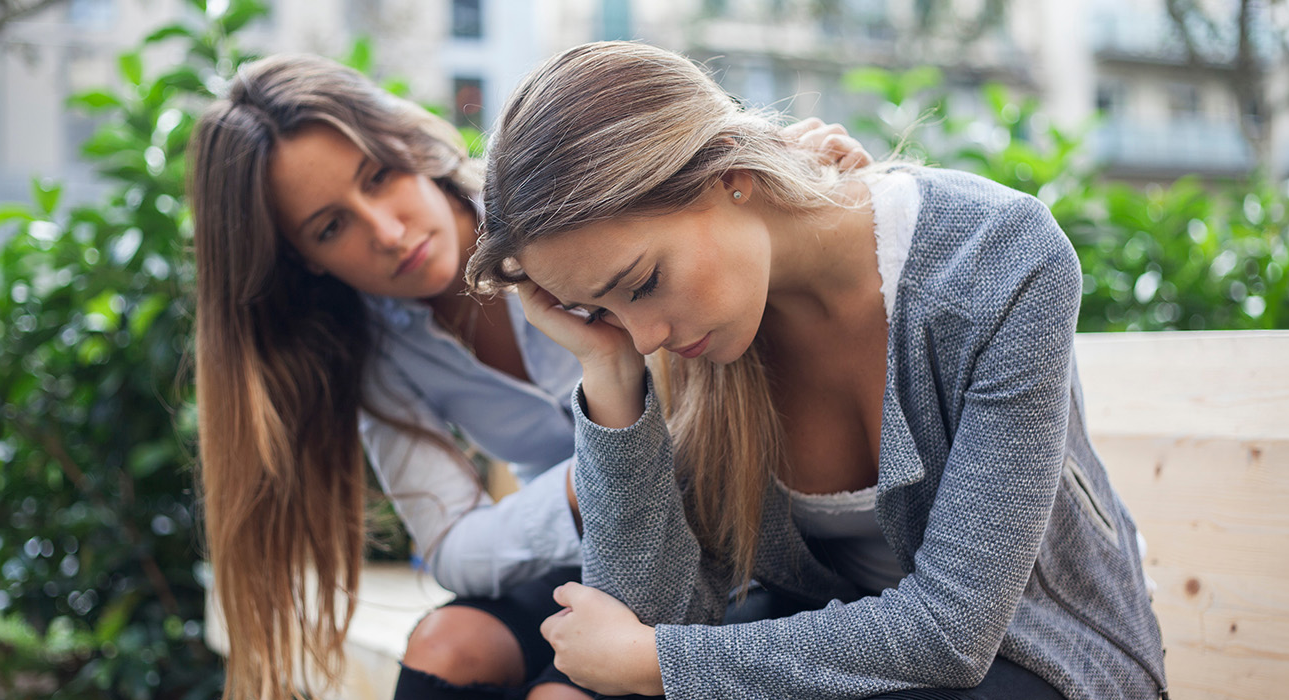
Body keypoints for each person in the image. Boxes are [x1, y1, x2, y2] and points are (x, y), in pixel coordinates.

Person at [463, 42, 1169, 700]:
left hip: (1040, 662)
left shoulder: (996, 257)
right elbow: (654, 615)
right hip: (833, 663)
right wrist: (610, 376)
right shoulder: (692, 340)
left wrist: (660, 661)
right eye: (600, 308)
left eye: (643, 282)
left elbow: (955, 633)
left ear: (731, 176)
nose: (644, 333)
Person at [185, 53, 871, 700]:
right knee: (449, 644)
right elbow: (451, 547)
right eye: (331, 227)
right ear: (303, 259)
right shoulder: (375, 353)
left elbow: (708, 188)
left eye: (378, 176)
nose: (387, 231)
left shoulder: (557, 214)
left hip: (717, 537)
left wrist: (808, 187)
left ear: (408, 146)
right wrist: (584, 487)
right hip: (582, 548)